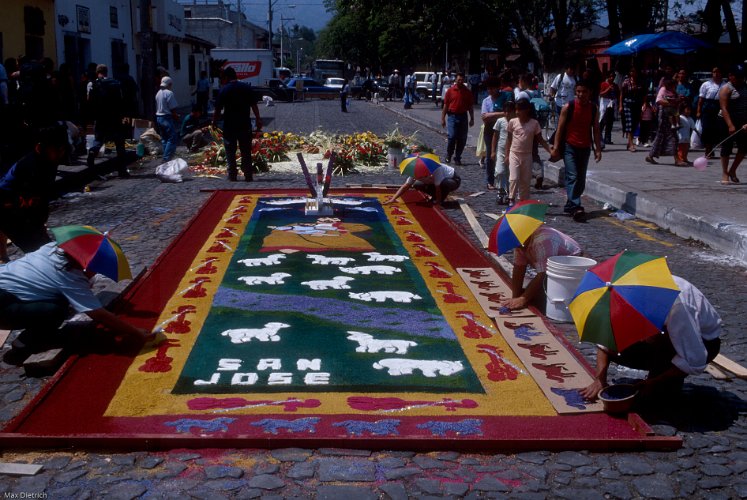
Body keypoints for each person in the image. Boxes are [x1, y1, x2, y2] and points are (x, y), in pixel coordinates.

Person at [0, 241, 153, 366]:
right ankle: (24, 343)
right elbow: (98, 314)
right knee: (56, 311)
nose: (96, 273)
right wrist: (135, 332)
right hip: (3, 305)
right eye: (97, 269)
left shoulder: (52, 247)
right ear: (87, 265)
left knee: (61, 299)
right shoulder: (71, 277)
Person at [580, 276, 722, 400]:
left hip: (704, 343)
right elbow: (604, 343)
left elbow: (695, 358)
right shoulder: (623, 296)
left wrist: (654, 382)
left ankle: (664, 379)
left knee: (657, 397)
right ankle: (658, 370)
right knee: (617, 348)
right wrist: (600, 379)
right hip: (661, 335)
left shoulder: (678, 307)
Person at [0, 124, 68, 253]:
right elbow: (31, 203)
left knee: (44, 248)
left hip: (24, 207)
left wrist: (41, 222)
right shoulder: (30, 166)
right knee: (38, 250)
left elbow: (43, 197)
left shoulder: (49, 161)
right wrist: (38, 222)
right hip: (8, 206)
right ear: (41, 147)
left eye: (63, 148)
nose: (61, 152)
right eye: (57, 148)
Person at [551, 80, 602, 221]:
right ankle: (576, 206)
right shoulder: (568, 107)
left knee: (580, 180)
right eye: (578, 91)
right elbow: (560, 129)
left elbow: (596, 130)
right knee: (572, 176)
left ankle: (569, 205)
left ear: (589, 92)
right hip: (570, 147)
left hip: (585, 148)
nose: (581, 94)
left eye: (584, 91)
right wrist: (555, 148)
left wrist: (598, 149)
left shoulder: (593, 108)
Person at [501, 225, 582, 311]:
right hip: (551, 268)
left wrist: (522, 299)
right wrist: (515, 297)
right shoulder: (520, 243)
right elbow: (519, 268)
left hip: (573, 265)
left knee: (544, 300)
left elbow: (543, 273)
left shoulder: (543, 240)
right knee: (530, 294)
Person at [212, 66, 262, 182]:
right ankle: (248, 174)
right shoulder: (246, 88)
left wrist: (214, 122)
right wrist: (258, 119)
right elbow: (254, 105)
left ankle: (232, 175)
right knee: (246, 150)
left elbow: (217, 110)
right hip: (244, 124)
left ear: (226, 77)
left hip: (229, 125)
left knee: (230, 151)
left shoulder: (224, 90)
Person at [505, 99, 552, 205]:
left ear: (527, 110)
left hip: (527, 155)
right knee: (514, 178)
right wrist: (507, 155)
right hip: (514, 154)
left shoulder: (534, 123)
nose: (517, 112)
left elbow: (540, 139)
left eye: (520, 110)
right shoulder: (513, 122)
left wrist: (550, 150)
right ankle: (511, 198)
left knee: (525, 181)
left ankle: (523, 202)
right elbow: (509, 139)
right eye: (516, 109)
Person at [87, 64, 129, 177]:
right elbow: (122, 101)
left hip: (100, 118)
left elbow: (89, 102)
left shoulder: (92, 84)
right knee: (120, 145)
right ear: (107, 71)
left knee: (98, 140)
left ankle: (93, 151)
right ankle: (122, 170)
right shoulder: (116, 83)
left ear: (97, 72)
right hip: (115, 118)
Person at [718, 64, 747, 185]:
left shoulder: (745, 87)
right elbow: (724, 108)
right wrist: (730, 125)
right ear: (730, 76)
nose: (740, 79)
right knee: (726, 147)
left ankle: (733, 170)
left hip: (743, 121)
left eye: (742, 77)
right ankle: (725, 172)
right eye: (737, 77)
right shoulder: (726, 88)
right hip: (727, 120)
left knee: (744, 147)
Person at [383, 163, 461, 207]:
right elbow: (405, 186)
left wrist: (438, 202)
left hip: (453, 180)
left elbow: (438, 187)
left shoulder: (436, 169)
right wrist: (393, 199)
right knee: (417, 184)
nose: (419, 177)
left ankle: (440, 200)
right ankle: (435, 197)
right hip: (434, 182)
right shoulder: (415, 172)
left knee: (444, 184)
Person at [441, 72, 474, 165]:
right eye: (459, 79)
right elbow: (446, 106)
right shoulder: (450, 91)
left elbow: (470, 107)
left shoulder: (467, 92)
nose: (460, 81)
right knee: (451, 137)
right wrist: (443, 118)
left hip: (463, 116)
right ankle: (449, 154)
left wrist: (472, 118)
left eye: (462, 80)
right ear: (455, 80)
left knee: (462, 139)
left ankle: (458, 157)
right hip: (452, 116)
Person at [646, 79, 680, 166]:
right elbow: (658, 101)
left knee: (668, 136)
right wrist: (670, 102)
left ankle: (651, 155)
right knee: (670, 136)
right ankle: (677, 159)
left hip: (672, 115)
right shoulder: (663, 89)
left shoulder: (674, 92)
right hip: (664, 116)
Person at [481, 77, 505, 190]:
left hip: (502, 129)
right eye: (488, 89)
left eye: (492, 88)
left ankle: (503, 179)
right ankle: (490, 180)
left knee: (503, 153)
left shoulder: (504, 98)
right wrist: (499, 114)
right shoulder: (486, 101)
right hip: (489, 130)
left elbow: (507, 114)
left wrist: (492, 115)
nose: (490, 91)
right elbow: (484, 118)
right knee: (491, 154)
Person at [490, 100, 516, 205]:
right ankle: (500, 191)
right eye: (505, 111)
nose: (507, 114)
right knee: (500, 171)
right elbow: (495, 136)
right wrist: (492, 151)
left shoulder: (516, 122)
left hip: (513, 152)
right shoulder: (500, 121)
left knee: (511, 174)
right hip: (501, 151)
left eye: (509, 111)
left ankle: (510, 194)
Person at [697, 67, 725, 157]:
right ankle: (708, 149)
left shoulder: (725, 85)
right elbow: (701, 99)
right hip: (708, 106)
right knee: (707, 129)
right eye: (714, 72)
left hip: (719, 106)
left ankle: (714, 148)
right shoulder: (706, 84)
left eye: (718, 72)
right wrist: (698, 111)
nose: (716, 74)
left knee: (717, 129)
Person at [620, 67, 644, 152]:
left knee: (635, 123)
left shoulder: (640, 82)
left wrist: (643, 104)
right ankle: (631, 144)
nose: (633, 73)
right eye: (631, 71)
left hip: (637, 104)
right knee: (629, 123)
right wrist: (620, 106)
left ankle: (629, 142)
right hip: (627, 103)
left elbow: (643, 94)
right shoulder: (626, 82)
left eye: (634, 71)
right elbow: (622, 94)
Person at [155, 76, 179, 163]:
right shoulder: (169, 93)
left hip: (159, 117)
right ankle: (166, 158)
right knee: (172, 138)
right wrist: (175, 115)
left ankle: (166, 157)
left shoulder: (158, 93)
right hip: (166, 117)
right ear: (169, 84)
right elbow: (172, 108)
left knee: (164, 138)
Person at [598, 72, 619, 147]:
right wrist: (608, 89)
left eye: (613, 77)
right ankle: (599, 137)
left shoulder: (615, 85)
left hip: (612, 102)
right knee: (603, 120)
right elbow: (601, 94)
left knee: (610, 121)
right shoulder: (604, 84)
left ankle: (608, 138)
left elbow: (617, 94)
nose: (612, 78)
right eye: (610, 76)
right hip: (605, 102)